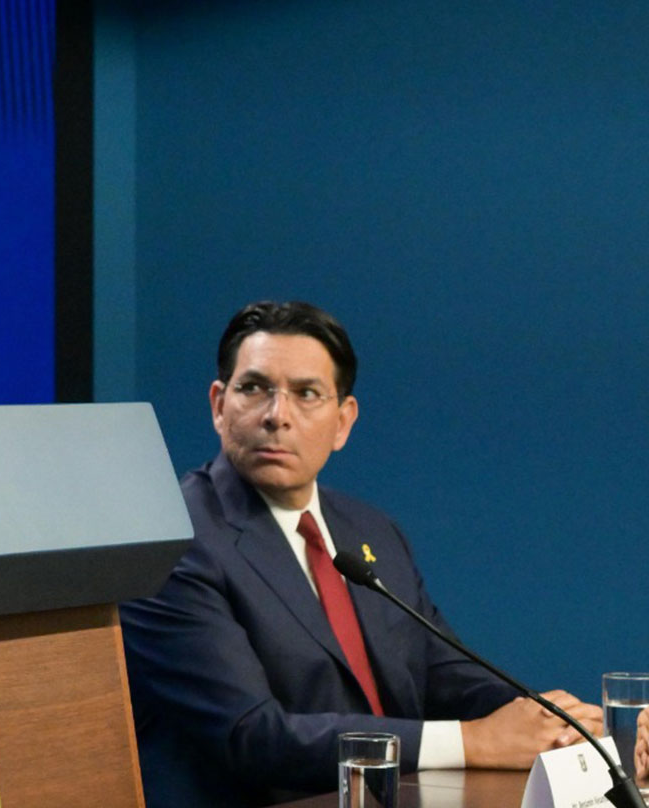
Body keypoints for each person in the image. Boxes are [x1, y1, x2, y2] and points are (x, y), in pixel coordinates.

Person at [120, 301, 601, 807]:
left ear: (343, 422)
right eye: (254, 388)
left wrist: (559, 725)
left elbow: (441, 672)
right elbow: (253, 735)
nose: (277, 416)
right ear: (219, 405)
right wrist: (472, 742)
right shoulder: (174, 542)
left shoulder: (369, 530)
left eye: (306, 394)